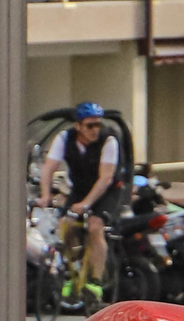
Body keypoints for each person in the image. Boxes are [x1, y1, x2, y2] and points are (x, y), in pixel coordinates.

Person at [35, 102, 126, 299]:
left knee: (95, 226)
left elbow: (105, 178)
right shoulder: (64, 138)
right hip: (80, 187)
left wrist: (86, 204)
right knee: (65, 226)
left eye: (98, 125)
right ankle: (74, 271)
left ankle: (95, 281)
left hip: (107, 190)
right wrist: (45, 195)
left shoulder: (108, 140)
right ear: (78, 126)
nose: (95, 130)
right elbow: (49, 168)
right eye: (90, 126)